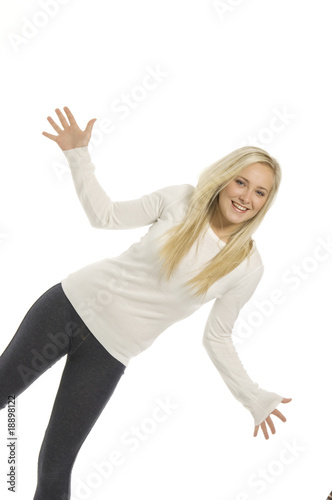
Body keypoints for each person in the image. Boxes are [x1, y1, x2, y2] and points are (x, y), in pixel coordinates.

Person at [0, 106, 292, 499]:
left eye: (260, 192)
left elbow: (217, 338)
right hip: (68, 306)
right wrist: (78, 154)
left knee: (56, 462)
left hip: (110, 353)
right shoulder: (181, 200)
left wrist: (252, 395)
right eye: (242, 182)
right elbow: (105, 216)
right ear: (225, 179)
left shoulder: (246, 266)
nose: (246, 197)